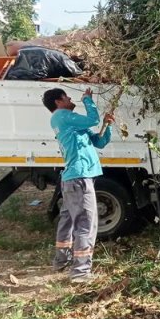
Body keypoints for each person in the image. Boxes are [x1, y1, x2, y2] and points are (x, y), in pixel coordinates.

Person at [42, 87, 114, 283]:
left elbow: (98, 142)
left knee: (68, 220)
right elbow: (92, 119)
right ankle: (81, 272)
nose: (70, 98)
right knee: (86, 224)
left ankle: (61, 261)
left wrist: (108, 126)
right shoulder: (63, 116)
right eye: (66, 97)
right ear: (58, 102)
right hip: (79, 178)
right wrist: (88, 100)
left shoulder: (69, 123)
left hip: (72, 179)